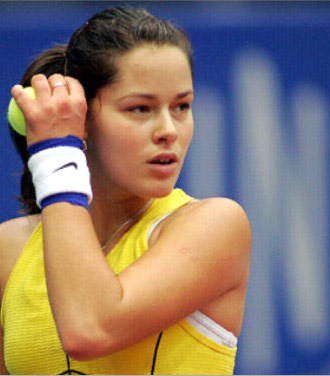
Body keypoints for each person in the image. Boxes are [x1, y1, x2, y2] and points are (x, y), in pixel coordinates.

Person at [0, 6, 251, 375]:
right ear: (80, 116)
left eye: (181, 106)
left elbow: (89, 328)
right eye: (140, 109)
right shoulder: (8, 251)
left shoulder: (216, 225)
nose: (168, 129)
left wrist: (56, 156)